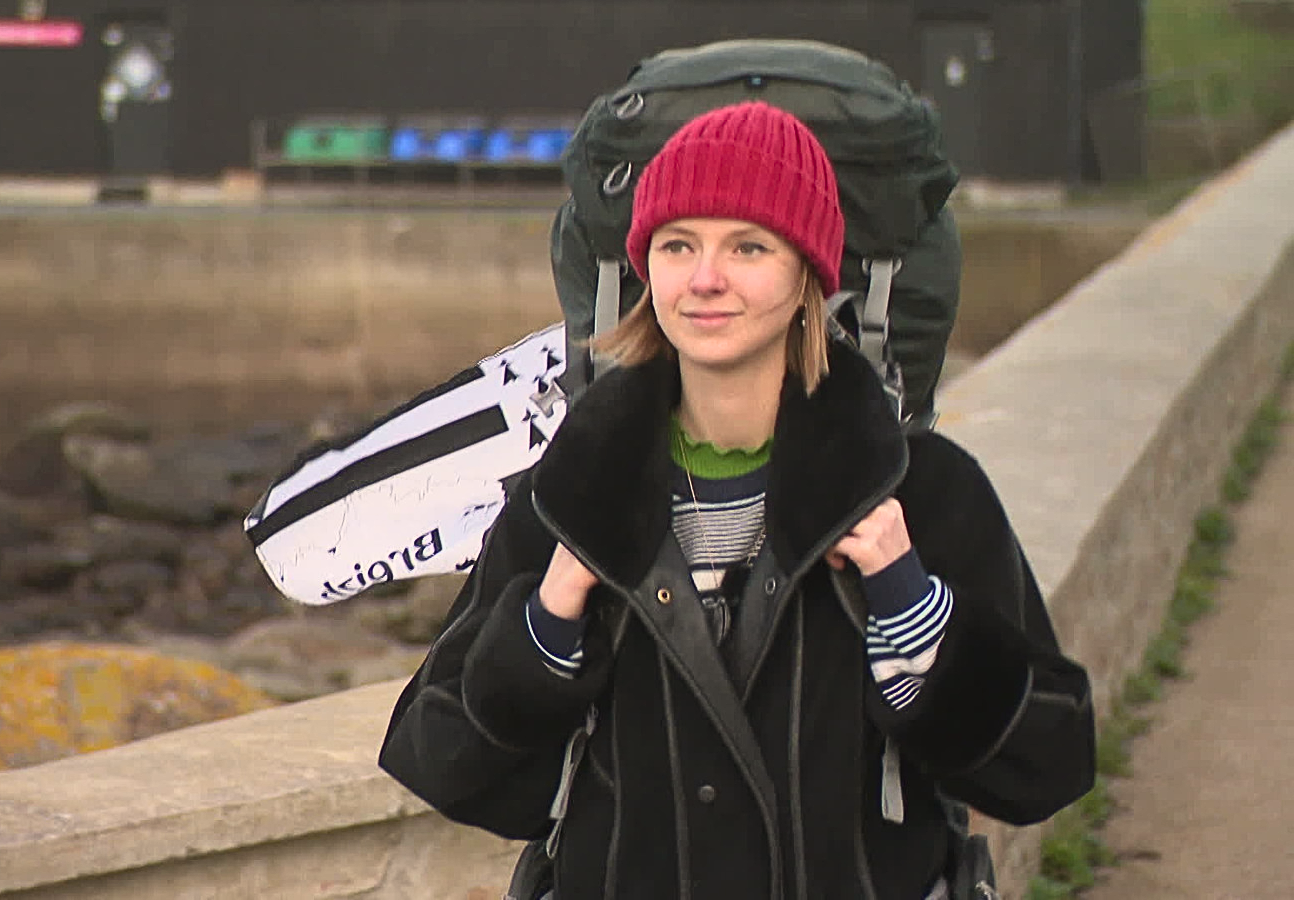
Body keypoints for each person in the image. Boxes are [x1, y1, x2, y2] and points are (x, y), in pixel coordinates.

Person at [379, 101, 1095, 900]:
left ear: (807, 279)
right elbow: (439, 759)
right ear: (646, 270)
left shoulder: (919, 487)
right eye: (678, 245)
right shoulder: (573, 494)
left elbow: (1052, 761)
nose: (707, 278)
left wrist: (914, 613)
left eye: (748, 246)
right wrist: (545, 625)